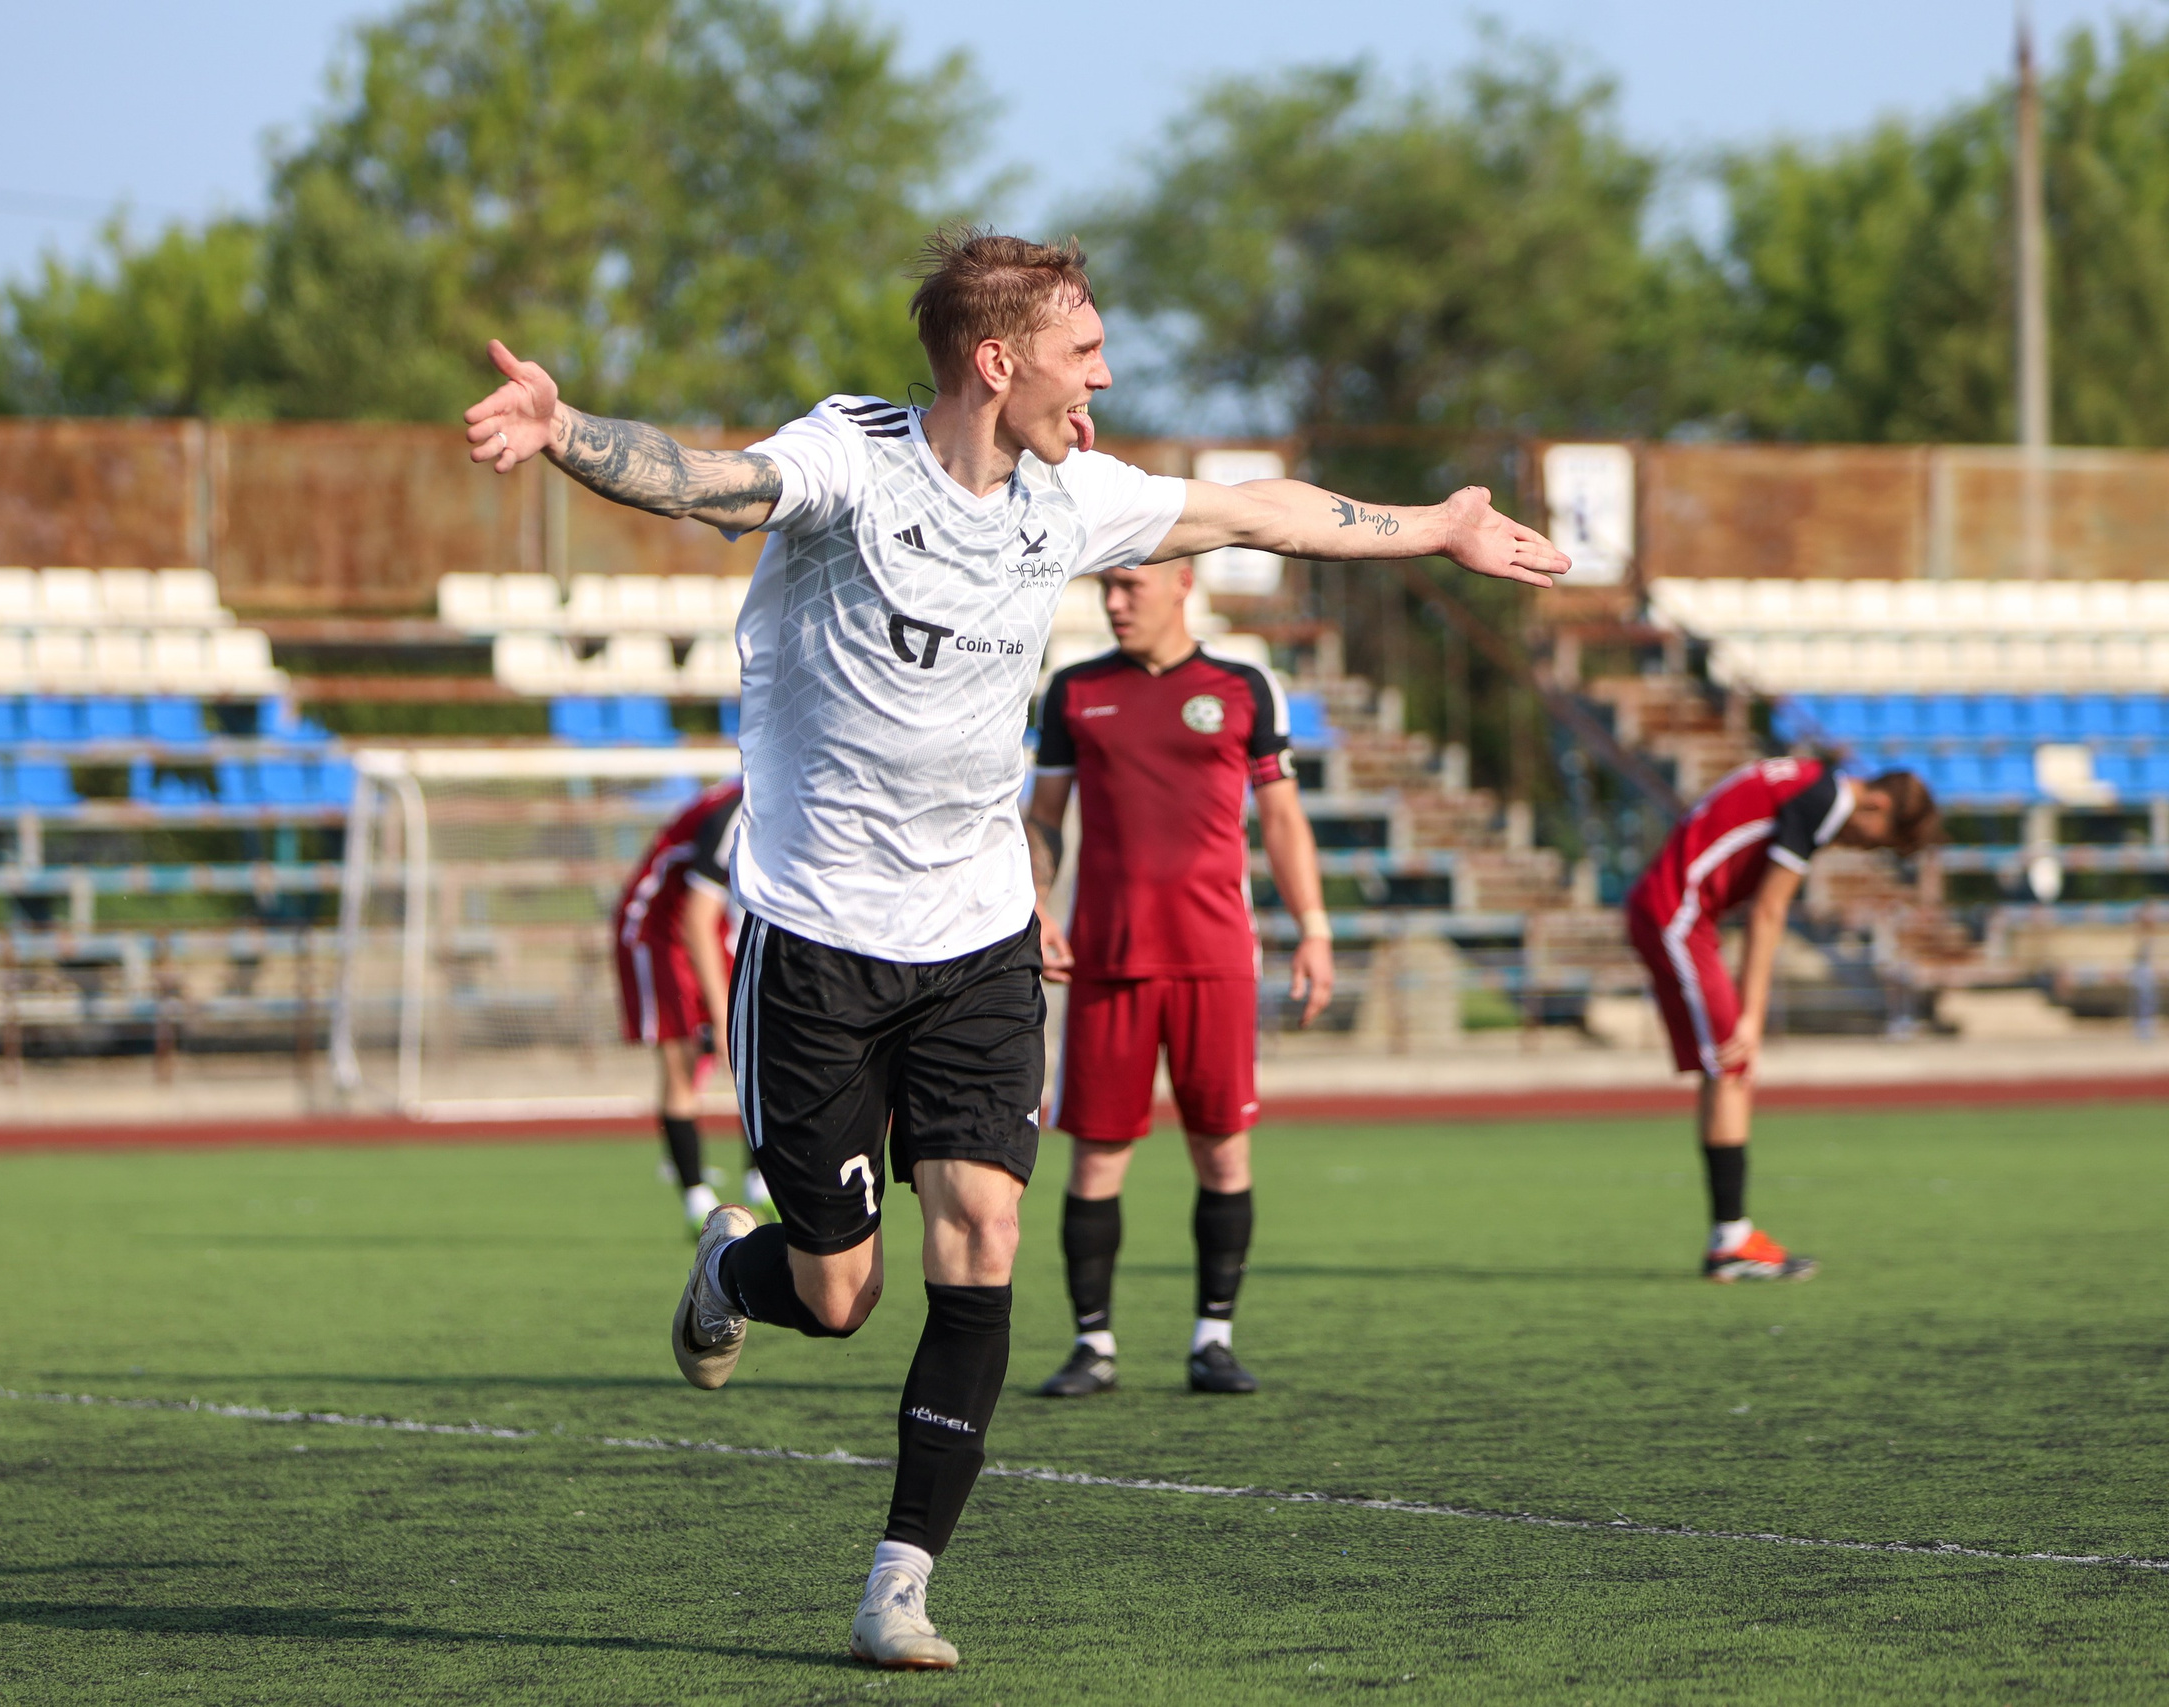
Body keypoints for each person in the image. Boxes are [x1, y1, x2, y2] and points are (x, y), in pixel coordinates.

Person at [464, 228, 1566, 1671]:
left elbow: (1255, 510)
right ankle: (734, 1273)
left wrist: (1435, 525)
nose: (1103, 376)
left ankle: (899, 1580)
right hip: (817, 940)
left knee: (982, 1241)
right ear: (999, 360)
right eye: (1084, 350)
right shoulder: (850, 461)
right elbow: (705, 480)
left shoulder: (1073, 498)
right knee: (838, 1290)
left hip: (981, 938)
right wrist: (566, 435)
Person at [1024, 556, 1333, 1401]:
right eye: (1105, 589)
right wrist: (1037, 907)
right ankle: (1094, 1345)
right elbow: (1042, 819)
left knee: (1222, 1150)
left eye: (1129, 586)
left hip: (1216, 958)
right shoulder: (1074, 691)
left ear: (1181, 580)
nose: (1115, 603)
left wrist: (1314, 928)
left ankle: (1214, 1338)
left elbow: (1281, 819)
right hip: (1107, 959)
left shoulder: (1242, 685)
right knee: (1095, 1159)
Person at [1624, 758, 1938, 1281]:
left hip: (1676, 910)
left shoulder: (1807, 776)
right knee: (1733, 1063)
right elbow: (1768, 912)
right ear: (1877, 805)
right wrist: (1752, 1016)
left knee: (1725, 1070)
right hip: (1677, 914)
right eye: (1877, 841)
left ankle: (1731, 1236)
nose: (1865, 850)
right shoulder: (1819, 803)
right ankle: (1730, 1242)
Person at [612, 779, 763, 1228]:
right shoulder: (739, 808)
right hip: (660, 929)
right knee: (683, 1058)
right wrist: (721, 1017)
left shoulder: (784, 796)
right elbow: (695, 918)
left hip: (711, 924)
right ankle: (696, 1200)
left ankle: (760, 1180)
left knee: (756, 1047)